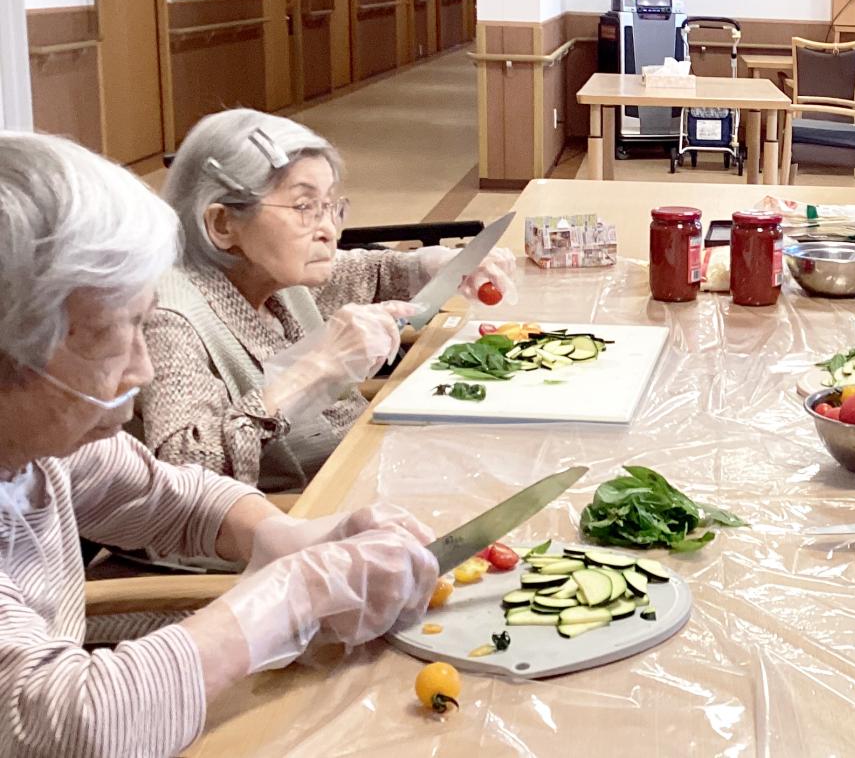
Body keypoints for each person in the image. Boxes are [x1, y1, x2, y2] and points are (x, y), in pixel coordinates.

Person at [0, 132, 441, 756]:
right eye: (111, 334)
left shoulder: (45, 446)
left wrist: (279, 535)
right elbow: (73, 723)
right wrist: (293, 594)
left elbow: (162, 491)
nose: (142, 369)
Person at [140, 109, 515, 491]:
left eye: (331, 207)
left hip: (359, 467)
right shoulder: (168, 317)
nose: (330, 230)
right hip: (300, 516)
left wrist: (433, 265)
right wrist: (316, 368)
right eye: (304, 208)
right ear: (222, 224)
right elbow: (182, 470)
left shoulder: (271, 272)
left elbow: (366, 272)